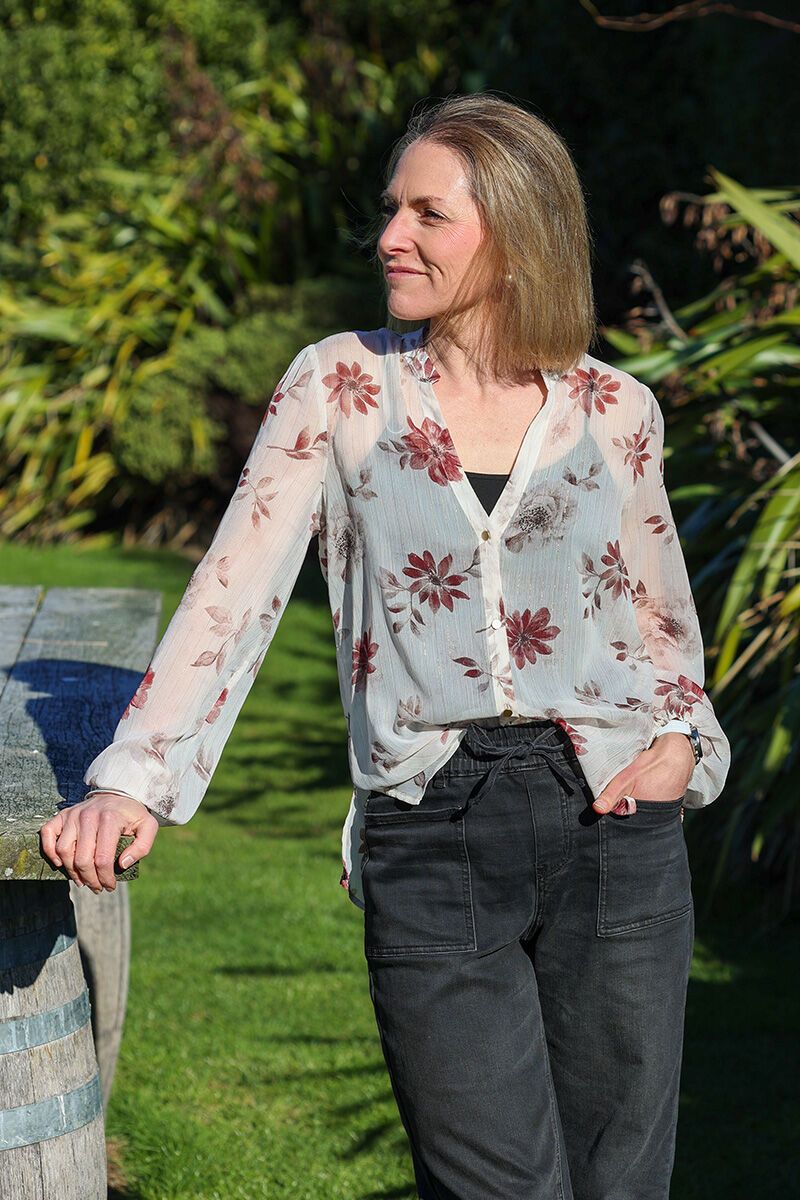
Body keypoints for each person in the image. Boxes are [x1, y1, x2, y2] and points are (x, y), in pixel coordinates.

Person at [40, 92, 730, 1198]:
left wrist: (681, 746)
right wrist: (138, 780)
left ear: (516, 235)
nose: (389, 237)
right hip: (431, 821)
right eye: (391, 210)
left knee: (622, 1182)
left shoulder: (616, 410)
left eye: (427, 215)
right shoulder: (339, 384)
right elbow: (234, 591)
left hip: (613, 824)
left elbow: (659, 621)